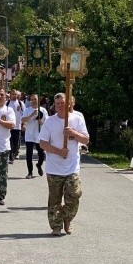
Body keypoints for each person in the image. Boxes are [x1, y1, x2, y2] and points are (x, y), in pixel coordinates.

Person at [39, 93, 89, 236]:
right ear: (55, 106)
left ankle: (67, 218)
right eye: (58, 104)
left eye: (63, 103)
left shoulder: (77, 119)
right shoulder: (50, 122)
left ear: (69, 104)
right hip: (54, 167)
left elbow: (86, 140)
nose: (60, 105)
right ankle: (56, 226)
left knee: (74, 194)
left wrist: (73, 133)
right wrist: (59, 151)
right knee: (54, 199)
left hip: (72, 166)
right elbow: (43, 143)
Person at [21, 94, 47, 179]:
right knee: (29, 154)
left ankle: (39, 165)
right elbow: (23, 120)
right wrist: (32, 115)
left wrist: (41, 122)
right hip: (29, 135)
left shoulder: (43, 110)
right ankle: (30, 172)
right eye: (32, 99)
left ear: (38, 100)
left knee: (41, 153)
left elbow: (47, 122)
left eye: (35, 99)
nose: (33, 101)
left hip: (39, 134)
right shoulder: (27, 110)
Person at [6, 89, 25, 164]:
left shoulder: (20, 103)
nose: (14, 95)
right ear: (10, 95)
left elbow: (24, 113)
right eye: (12, 94)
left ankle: (15, 152)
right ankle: (11, 157)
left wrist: (23, 124)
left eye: (15, 94)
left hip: (18, 126)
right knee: (10, 142)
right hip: (9, 126)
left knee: (16, 143)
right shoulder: (7, 103)